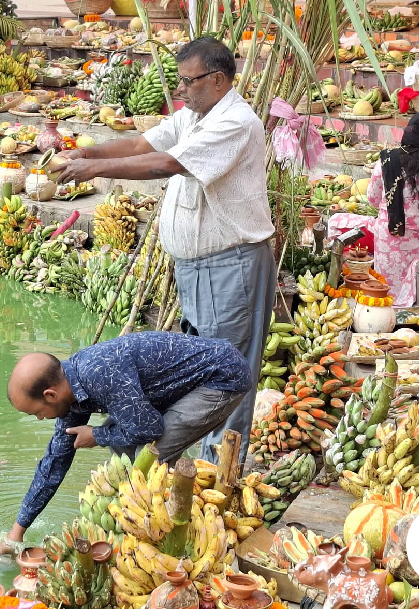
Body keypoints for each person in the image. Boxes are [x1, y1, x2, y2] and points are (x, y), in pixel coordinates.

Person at [55, 37, 275, 463]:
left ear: (217, 80)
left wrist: (94, 169)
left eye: (188, 82)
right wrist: (86, 151)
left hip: (229, 267)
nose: (181, 90)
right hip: (196, 268)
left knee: (225, 376)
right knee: (198, 374)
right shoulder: (194, 115)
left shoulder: (234, 121)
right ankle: (188, 467)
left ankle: (219, 474)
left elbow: (167, 164)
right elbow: (142, 146)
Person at [0, 332, 251, 559]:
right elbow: (56, 461)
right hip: (179, 384)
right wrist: (16, 533)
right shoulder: (70, 390)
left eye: (36, 412)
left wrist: (98, 435)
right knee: (124, 451)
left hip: (221, 378)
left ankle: (164, 541)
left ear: (50, 395)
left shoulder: (99, 374)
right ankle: (156, 519)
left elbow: (150, 429)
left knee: (146, 455)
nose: (39, 419)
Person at [329, 113, 419, 307]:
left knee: (336, 221)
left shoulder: (388, 161)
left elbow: (372, 199)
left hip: (390, 240)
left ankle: (380, 306)